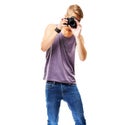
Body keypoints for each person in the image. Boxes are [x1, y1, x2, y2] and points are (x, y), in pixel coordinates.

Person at [40, 4, 87, 125]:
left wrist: (77, 36)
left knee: (80, 120)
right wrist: (58, 29)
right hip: (52, 85)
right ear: (65, 16)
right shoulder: (52, 28)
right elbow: (43, 47)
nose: (74, 22)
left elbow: (83, 57)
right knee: (52, 121)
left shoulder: (78, 36)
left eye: (77, 20)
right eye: (72, 18)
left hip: (70, 85)